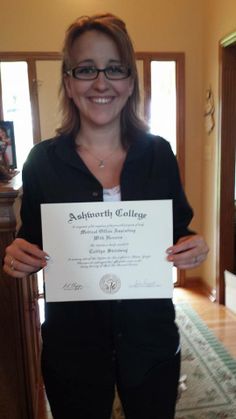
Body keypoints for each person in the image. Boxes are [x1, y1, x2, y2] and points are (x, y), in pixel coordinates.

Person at [3, 13, 209, 419]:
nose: (101, 83)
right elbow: (34, 242)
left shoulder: (158, 154)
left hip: (150, 341)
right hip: (73, 349)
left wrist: (195, 247)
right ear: (67, 80)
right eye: (86, 69)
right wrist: (19, 257)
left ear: (130, 81)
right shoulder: (42, 162)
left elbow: (178, 231)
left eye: (114, 69)